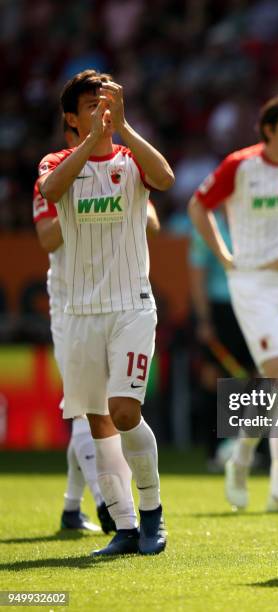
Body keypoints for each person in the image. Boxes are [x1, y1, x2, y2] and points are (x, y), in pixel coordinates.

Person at [37, 69, 174, 556]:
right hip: (79, 311)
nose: (103, 111)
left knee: (124, 410)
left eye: (109, 102)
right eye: (92, 105)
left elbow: (165, 179)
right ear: (71, 117)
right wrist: (92, 140)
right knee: (98, 423)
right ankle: (125, 525)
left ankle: (154, 512)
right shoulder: (56, 162)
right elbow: (51, 193)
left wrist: (125, 129)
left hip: (131, 304)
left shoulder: (131, 159)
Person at [189, 93, 278, 513]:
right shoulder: (240, 166)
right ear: (268, 130)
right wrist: (224, 255)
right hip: (252, 283)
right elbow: (198, 205)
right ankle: (242, 455)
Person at [33, 123, 114, 534]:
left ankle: (70, 507)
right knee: (86, 410)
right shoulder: (53, 168)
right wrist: (81, 201)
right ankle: (107, 504)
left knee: (99, 409)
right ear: (70, 127)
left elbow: (150, 219)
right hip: (70, 305)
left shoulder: (120, 164)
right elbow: (47, 237)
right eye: (90, 109)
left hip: (112, 301)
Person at [189, 207, 255, 471]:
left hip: (252, 308)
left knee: (256, 379)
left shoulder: (256, 220)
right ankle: (214, 449)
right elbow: (197, 274)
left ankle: (250, 451)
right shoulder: (208, 224)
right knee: (213, 379)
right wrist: (204, 319)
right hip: (220, 310)